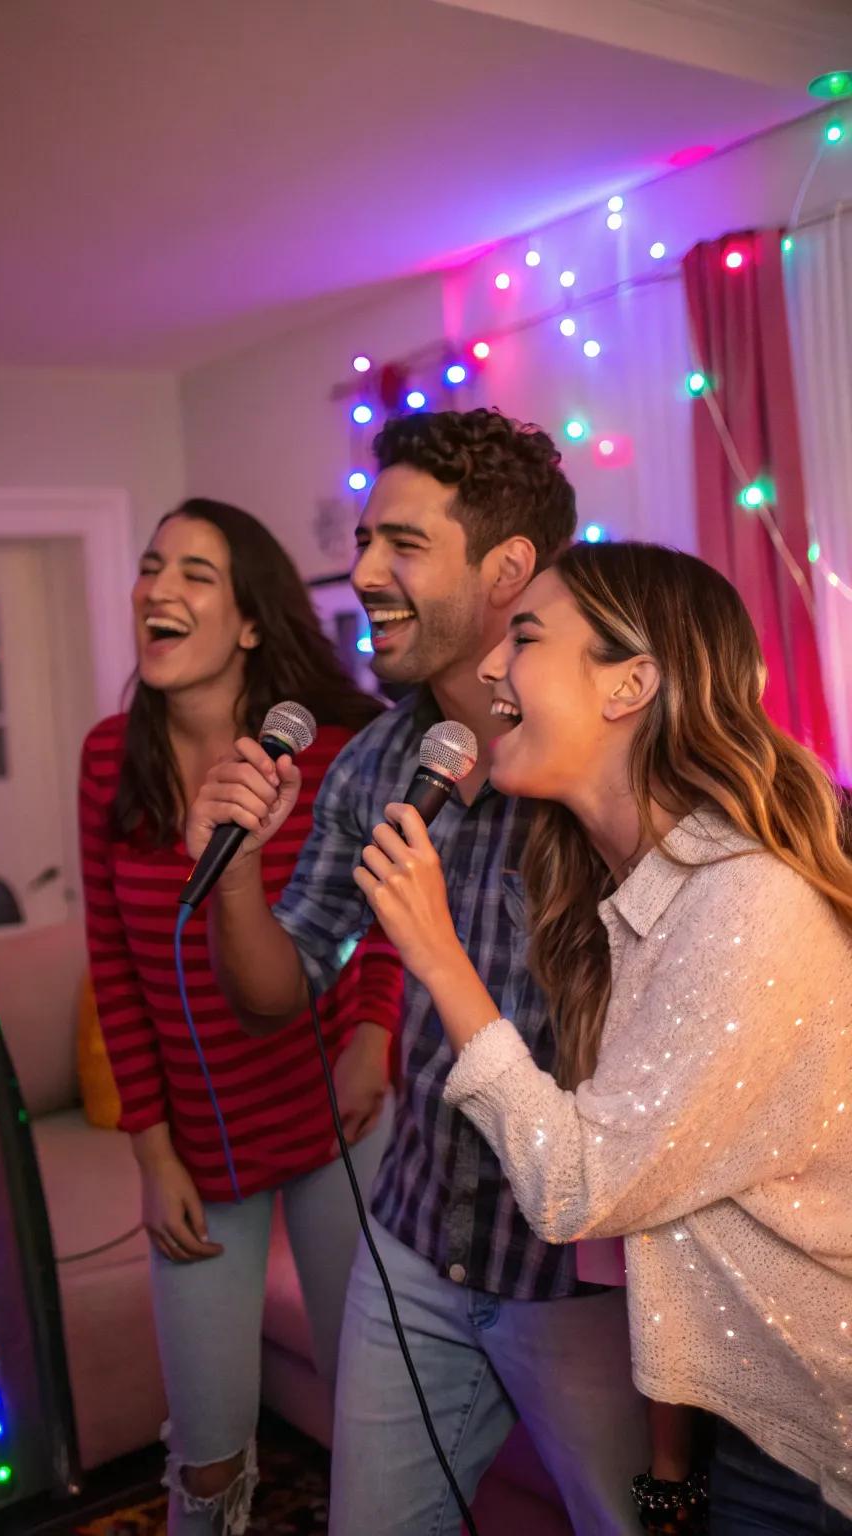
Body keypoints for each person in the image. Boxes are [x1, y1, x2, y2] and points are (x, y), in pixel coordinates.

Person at [187, 411, 651, 1535]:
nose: (358, 574)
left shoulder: (622, 755)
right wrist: (238, 871)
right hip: (413, 1250)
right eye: (359, 541)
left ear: (505, 572)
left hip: (581, 1279)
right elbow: (274, 990)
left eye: (400, 544)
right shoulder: (382, 760)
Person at [352, 540, 852, 1534]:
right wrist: (671, 1463)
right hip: (752, 1424)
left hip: (819, 1436)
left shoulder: (744, 899)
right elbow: (675, 1209)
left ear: (630, 683)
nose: (492, 667)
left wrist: (443, 965)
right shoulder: (649, 893)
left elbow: (579, 1189)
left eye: (525, 638)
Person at [79, 498, 403, 1536]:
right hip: (204, 1155)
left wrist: (374, 1038)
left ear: (252, 620)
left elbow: (392, 903)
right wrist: (150, 1150)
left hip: (333, 1124)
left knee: (382, 1422)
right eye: (149, 566)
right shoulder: (105, 760)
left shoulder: (337, 749)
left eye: (195, 574)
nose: (158, 589)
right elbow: (114, 963)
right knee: (209, 1451)